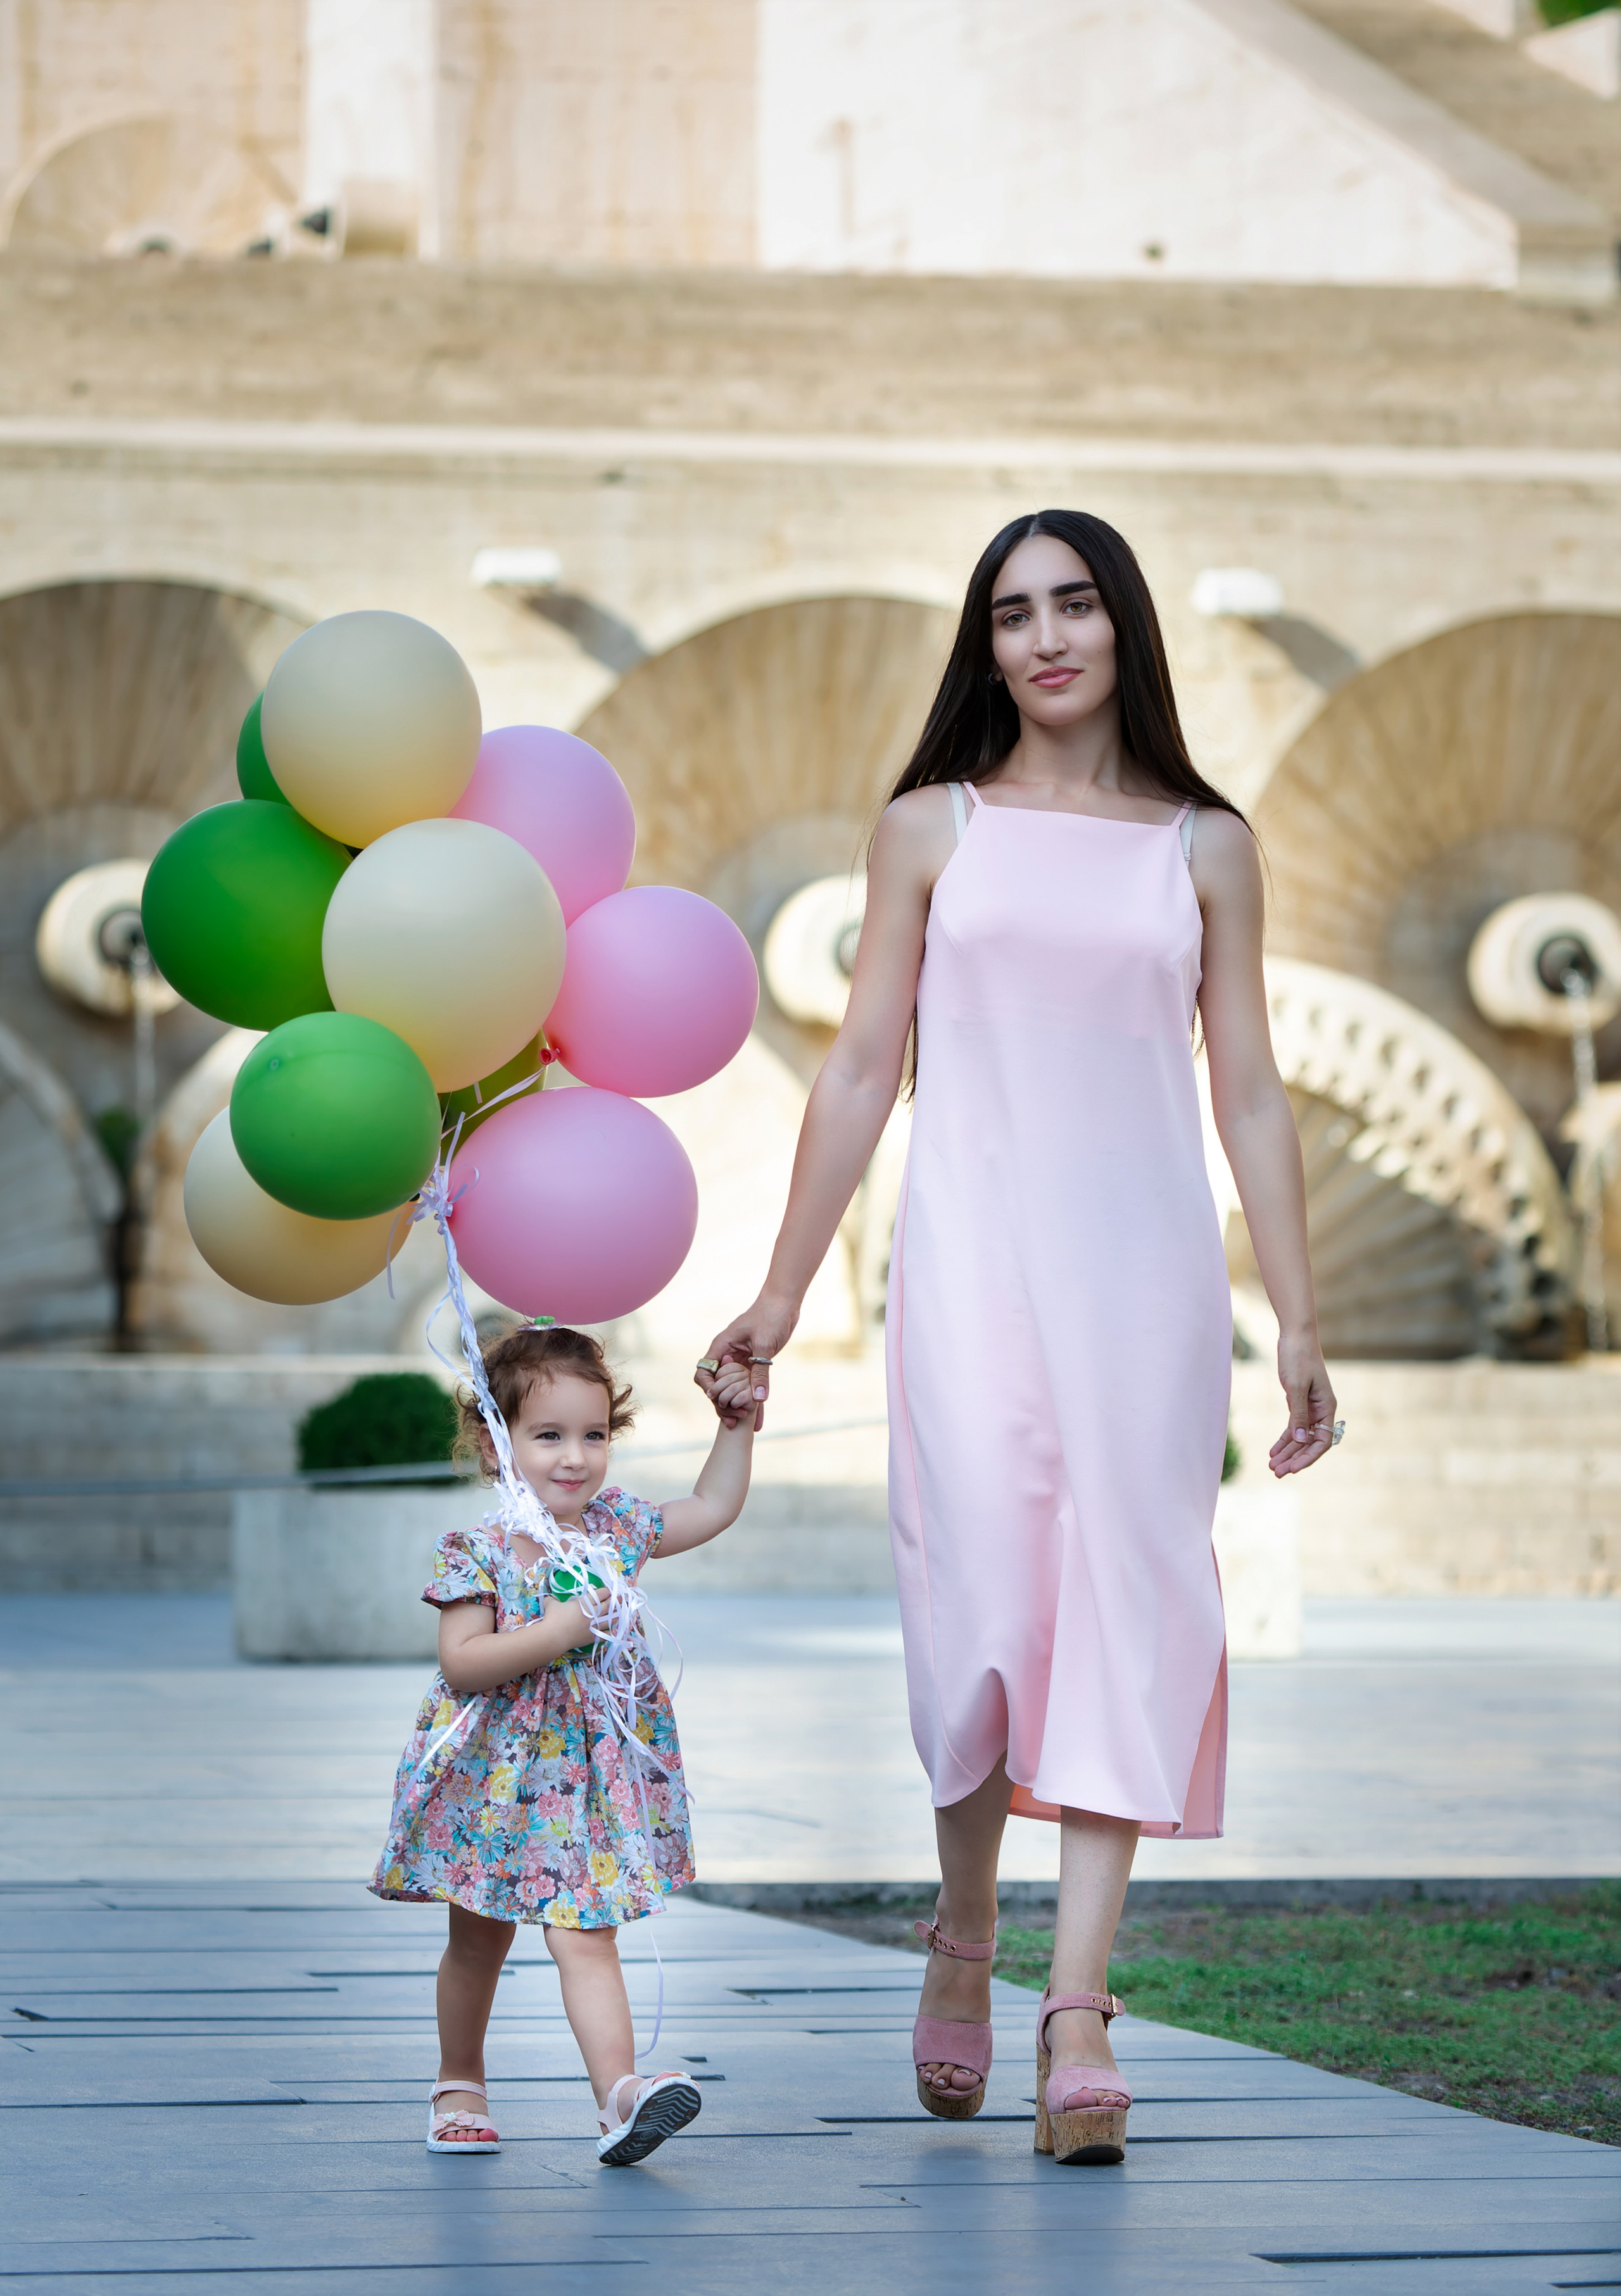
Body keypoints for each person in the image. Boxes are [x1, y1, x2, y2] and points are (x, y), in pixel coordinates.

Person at [697, 508, 1339, 2167]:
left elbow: (1250, 1086)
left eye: (1074, 605)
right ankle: (966, 1927)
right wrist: (779, 1290)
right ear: (985, 648)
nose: (1044, 637)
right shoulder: (933, 826)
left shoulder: (1206, 843)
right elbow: (858, 1070)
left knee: (1132, 1601)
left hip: (1146, 1280)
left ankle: (1078, 2011)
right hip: (969, 1265)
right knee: (982, 1603)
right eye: (1010, 615)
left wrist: (1298, 1318)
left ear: (1125, 624)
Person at [371, 1323, 755, 2167]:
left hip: (586, 1778)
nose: (574, 1457)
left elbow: (714, 1507)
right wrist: (565, 1627)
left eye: (593, 1434)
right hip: (495, 1782)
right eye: (548, 1436)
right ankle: (458, 2081)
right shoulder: (477, 1550)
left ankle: (619, 2095)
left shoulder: (614, 1529)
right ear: (493, 1441)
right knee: (478, 1936)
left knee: (589, 1931)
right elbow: (466, 1665)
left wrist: (736, 1428)